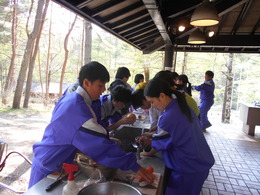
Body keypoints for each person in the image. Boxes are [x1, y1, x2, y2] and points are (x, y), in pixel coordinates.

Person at [28, 61, 154, 188]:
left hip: (52, 161)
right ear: (87, 83)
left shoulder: (71, 98)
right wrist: (133, 165)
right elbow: (101, 146)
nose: (103, 90)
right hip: (49, 166)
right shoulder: (77, 108)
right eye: (100, 85)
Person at [138, 78, 215, 195]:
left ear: (162, 96)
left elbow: (160, 143)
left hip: (188, 168)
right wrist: (155, 134)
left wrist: (148, 140)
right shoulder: (179, 105)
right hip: (198, 163)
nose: (152, 106)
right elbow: (174, 134)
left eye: (152, 102)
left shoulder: (168, 115)